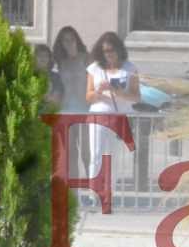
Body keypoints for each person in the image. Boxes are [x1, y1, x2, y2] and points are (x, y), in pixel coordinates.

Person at [84, 31, 140, 184]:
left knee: (113, 156)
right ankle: (93, 193)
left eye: (111, 50)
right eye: (104, 51)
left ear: (119, 49)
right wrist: (99, 91)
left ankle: (110, 191)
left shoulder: (130, 68)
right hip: (98, 116)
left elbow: (136, 96)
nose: (108, 54)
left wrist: (116, 90)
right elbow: (88, 97)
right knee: (96, 154)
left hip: (118, 117)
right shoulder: (94, 68)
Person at [52, 25, 90, 178]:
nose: (68, 43)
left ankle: (92, 187)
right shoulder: (59, 62)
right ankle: (75, 191)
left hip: (85, 111)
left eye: (71, 39)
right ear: (60, 43)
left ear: (77, 40)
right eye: (64, 40)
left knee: (88, 153)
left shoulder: (86, 58)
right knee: (71, 153)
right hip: (65, 111)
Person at [33, 43, 64, 108]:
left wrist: (46, 99)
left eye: (46, 56)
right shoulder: (30, 75)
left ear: (49, 58)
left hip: (50, 112)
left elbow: (58, 96)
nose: (43, 58)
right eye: (40, 55)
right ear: (34, 58)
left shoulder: (56, 76)